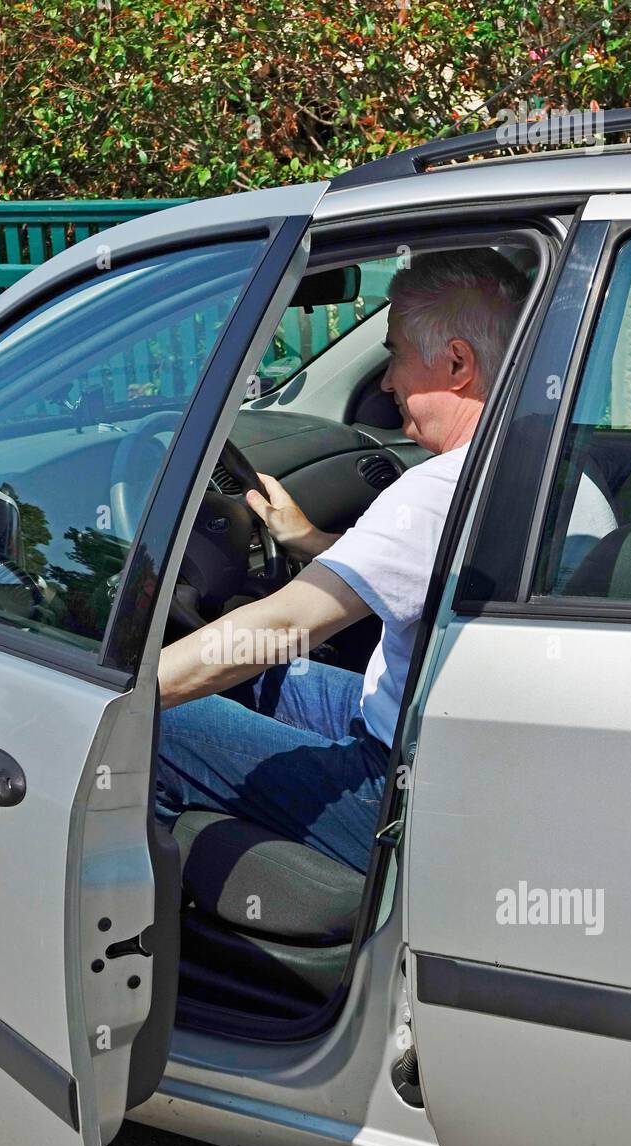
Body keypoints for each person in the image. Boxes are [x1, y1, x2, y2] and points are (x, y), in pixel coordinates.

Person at [155, 249, 527, 874]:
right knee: (264, 677)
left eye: (397, 355)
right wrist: (308, 541)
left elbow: (279, 628)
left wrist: (120, 693)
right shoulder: (538, 463)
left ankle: (157, 938)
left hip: (398, 784)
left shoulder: (440, 491)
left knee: (159, 729)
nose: (386, 382)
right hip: (431, 739)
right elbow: (421, 575)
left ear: (457, 364)